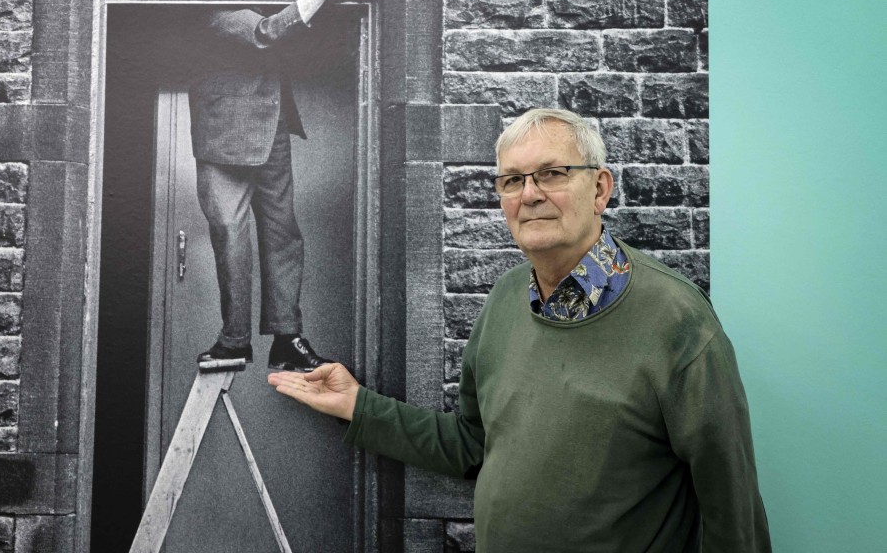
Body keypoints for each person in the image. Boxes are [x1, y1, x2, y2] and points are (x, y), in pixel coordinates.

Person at [269, 109, 772, 552]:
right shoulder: (506, 298)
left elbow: (734, 515)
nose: (529, 194)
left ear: (600, 189)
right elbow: (473, 444)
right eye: (512, 181)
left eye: (551, 173)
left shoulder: (677, 320)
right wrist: (359, 406)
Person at [185, 0, 371, 371]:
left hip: (271, 129)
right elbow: (263, 33)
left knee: (284, 234)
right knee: (231, 236)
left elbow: (270, 28)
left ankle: (287, 338)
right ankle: (234, 340)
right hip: (226, 139)